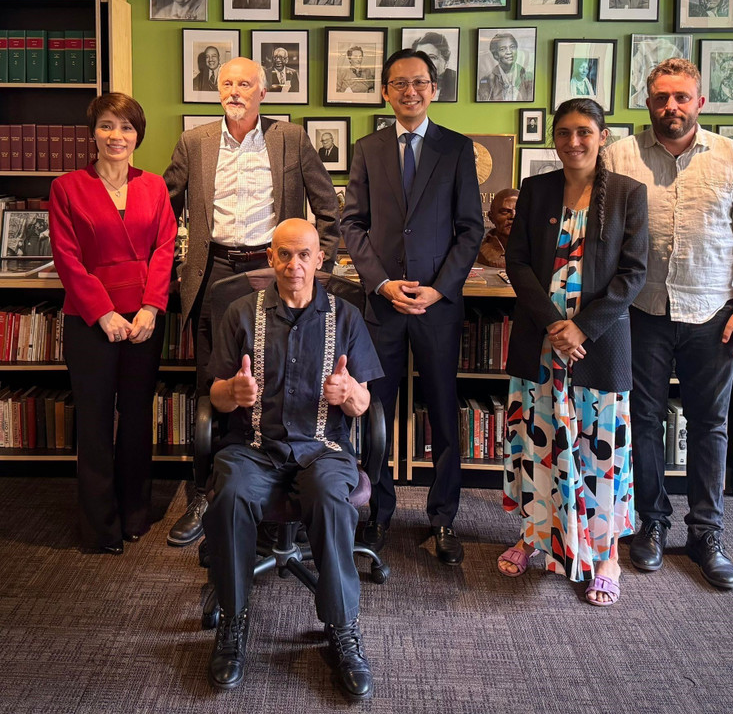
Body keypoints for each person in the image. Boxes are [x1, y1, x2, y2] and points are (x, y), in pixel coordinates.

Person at [605, 58, 733, 590]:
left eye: (681, 97)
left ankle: (706, 532)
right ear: (647, 101)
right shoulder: (620, 156)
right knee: (643, 422)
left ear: (700, 101)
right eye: (660, 97)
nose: (670, 106)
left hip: (713, 315)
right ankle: (650, 523)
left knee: (710, 424)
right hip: (642, 312)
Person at [203, 218, 383, 699]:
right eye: (284, 254)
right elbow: (214, 395)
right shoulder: (240, 313)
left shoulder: (346, 317)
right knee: (231, 495)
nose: (294, 264)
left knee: (329, 498)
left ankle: (342, 632)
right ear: (270, 258)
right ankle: (233, 625)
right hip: (254, 447)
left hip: (324, 449)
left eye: (304, 254)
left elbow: (365, 403)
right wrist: (232, 391)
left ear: (320, 259)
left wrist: (349, 394)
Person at [163, 57, 340, 547]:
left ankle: (273, 491)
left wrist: (316, 270)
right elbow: (163, 204)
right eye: (226, 83)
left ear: (263, 93)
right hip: (213, 270)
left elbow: (328, 207)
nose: (234, 91)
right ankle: (206, 492)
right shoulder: (194, 141)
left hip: (273, 271)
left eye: (244, 83)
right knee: (214, 383)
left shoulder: (290, 139)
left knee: (275, 380)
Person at [499, 99, 647, 606]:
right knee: (542, 443)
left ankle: (607, 555)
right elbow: (516, 262)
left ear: (603, 136)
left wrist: (581, 329)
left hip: (598, 347)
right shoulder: (536, 190)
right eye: (563, 133)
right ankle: (536, 537)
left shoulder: (629, 193)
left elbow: (633, 274)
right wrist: (553, 324)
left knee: (597, 448)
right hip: (541, 343)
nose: (573, 142)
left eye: (584, 132)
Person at [341, 49, 484, 565]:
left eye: (419, 82)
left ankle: (443, 518)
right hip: (380, 308)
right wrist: (379, 284)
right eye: (399, 83)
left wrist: (439, 288)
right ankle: (377, 514)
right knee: (373, 414)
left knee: (445, 414)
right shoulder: (368, 148)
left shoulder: (457, 149)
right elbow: (351, 225)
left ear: (434, 88)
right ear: (385, 91)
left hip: (436, 308)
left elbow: (472, 229)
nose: (410, 91)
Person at [49, 93, 176, 553]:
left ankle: (135, 514)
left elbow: (165, 249)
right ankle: (100, 526)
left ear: (138, 134)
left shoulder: (155, 186)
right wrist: (102, 312)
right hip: (89, 319)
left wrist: (150, 307)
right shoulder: (67, 187)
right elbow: (66, 257)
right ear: (93, 133)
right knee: (96, 421)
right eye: (106, 126)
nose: (116, 136)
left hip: (144, 319)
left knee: (139, 417)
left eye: (125, 127)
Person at [477, 32, 533, 102]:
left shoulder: (527, 77)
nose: (509, 52)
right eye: (503, 49)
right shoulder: (487, 80)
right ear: (495, 55)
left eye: (512, 47)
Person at [476, 188, 518, 269]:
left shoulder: (535, 250)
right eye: (505, 211)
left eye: (519, 211)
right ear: (491, 217)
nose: (513, 216)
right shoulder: (485, 252)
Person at [411, 32, 457, 101]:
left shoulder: (455, 83)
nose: (425, 63)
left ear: (446, 63)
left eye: (432, 57)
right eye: (420, 58)